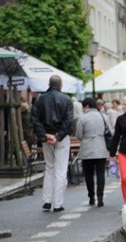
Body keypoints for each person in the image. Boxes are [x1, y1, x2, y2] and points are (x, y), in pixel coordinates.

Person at [31, 75, 73, 213]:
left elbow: (35, 119)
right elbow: (69, 121)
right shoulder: (66, 99)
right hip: (61, 138)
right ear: (60, 85)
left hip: (46, 138)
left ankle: (47, 201)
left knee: (49, 168)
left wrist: (44, 135)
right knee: (61, 171)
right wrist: (58, 136)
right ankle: (57, 204)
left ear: (49, 84)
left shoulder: (40, 99)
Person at [76, 97, 109, 207]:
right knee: (100, 174)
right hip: (101, 147)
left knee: (88, 174)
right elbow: (110, 131)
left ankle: (91, 197)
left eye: (83, 107)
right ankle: (100, 198)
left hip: (87, 149)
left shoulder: (82, 118)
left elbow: (79, 135)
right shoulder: (103, 116)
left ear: (87, 106)